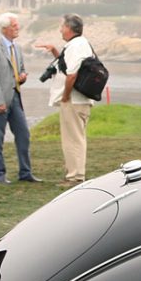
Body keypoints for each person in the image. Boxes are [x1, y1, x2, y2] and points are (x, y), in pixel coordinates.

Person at [37, 14, 98, 187]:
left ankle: (75, 177)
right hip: (79, 100)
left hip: (74, 101)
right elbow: (67, 67)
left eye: (62, 26)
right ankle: (74, 173)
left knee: (73, 140)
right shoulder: (79, 44)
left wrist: (65, 96)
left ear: (70, 28)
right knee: (75, 138)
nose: (60, 30)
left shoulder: (76, 46)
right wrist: (55, 52)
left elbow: (71, 75)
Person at [0, 13, 40, 184]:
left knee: (23, 134)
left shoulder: (17, 48)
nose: (18, 28)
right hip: (0, 100)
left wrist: (22, 77)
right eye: (14, 26)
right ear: (4, 29)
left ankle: (25, 172)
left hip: (15, 98)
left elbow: (20, 69)